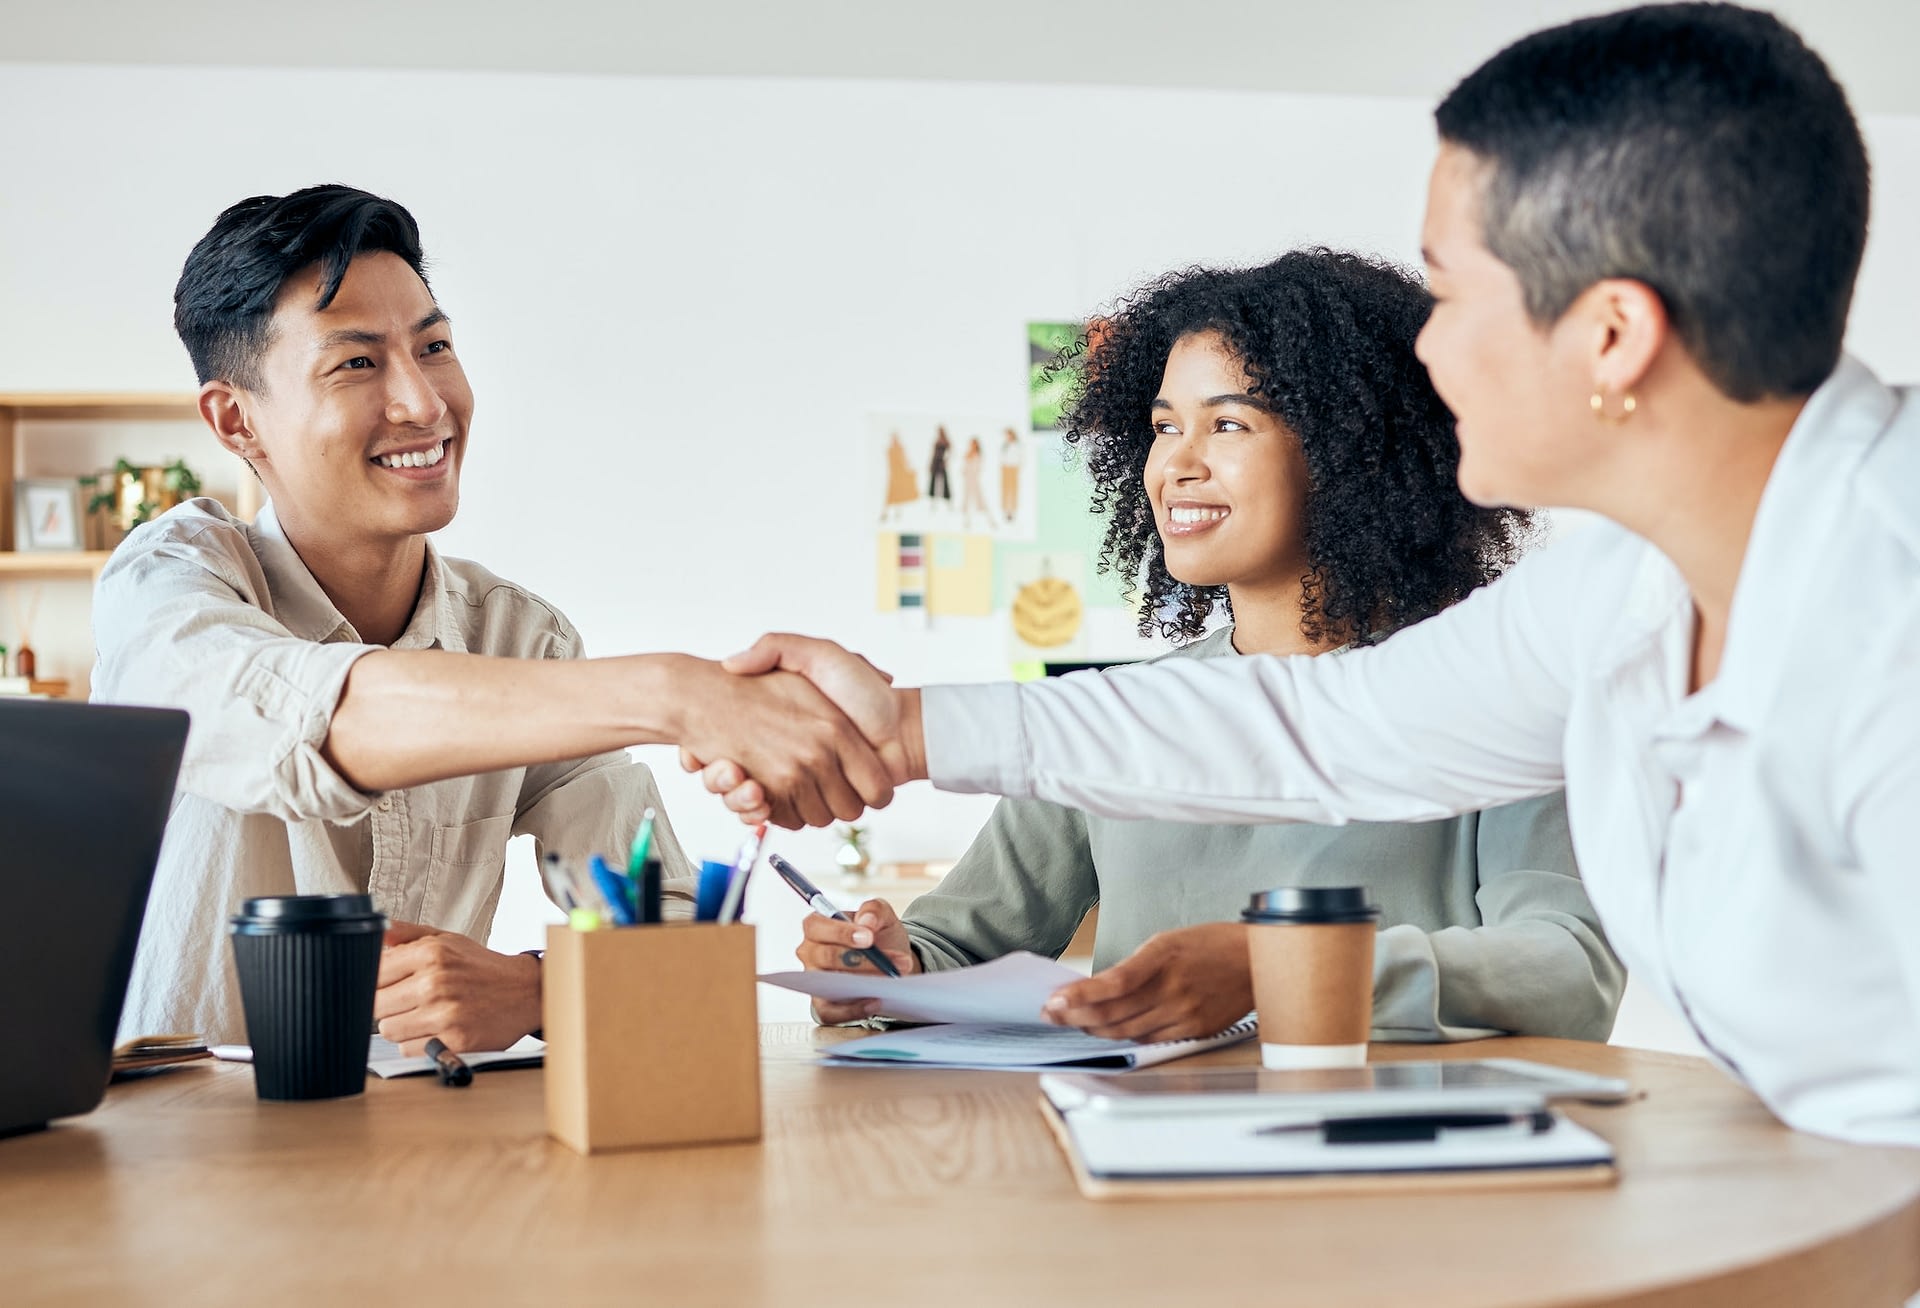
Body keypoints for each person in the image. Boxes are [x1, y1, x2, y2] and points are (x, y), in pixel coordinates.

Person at [697, 6, 1920, 1147]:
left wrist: (1275, 969)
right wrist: (895, 727)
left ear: (1611, 335)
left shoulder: (1890, 602)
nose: (1426, 350)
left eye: (1447, 294)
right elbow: (1326, 724)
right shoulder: (1619, 595)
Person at [94, 185, 895, 1051]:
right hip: (172, 1149)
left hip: (419, 1141)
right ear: (235, 419)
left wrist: (544, 991)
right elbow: (310, 715)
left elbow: (677, 945)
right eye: (357, 363)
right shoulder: (169, 585)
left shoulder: (522, 639)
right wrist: (675, 693)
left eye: (433, 346)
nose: (425, 403)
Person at [796, 252, 1621, 1044]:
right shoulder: (1119, 718)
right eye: (1163, 427)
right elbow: (957, 947)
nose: (1176, 464)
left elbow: (1567, 969)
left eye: (1227, 423)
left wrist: (1289, 969)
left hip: (1383, 1154)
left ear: (1350, 452)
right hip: (1126, 1146)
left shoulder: (1490, 700)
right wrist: (886, 968)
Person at [959, 435, 990, 529]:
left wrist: (973, 474)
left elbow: (977, 468)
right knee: (967, 500)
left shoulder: (978, 455)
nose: (971, 445)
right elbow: (965, 466)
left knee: (979, 500)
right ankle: (966, 522)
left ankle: (989, 520)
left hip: (974, 479)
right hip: (967, 479)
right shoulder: (968, 454)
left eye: (973, 444)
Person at [999, 427, 1021, 522]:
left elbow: (1020, 457)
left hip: (1013, 468)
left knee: (1013, 489)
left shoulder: (1017, 445)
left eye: (1008, 434)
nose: (1007, 437)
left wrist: (1017, 466)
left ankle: (1012, 510)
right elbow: (1002, 457)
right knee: (1005, 489)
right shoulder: (1005, 445)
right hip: (1005, 468)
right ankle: (1005, 510)